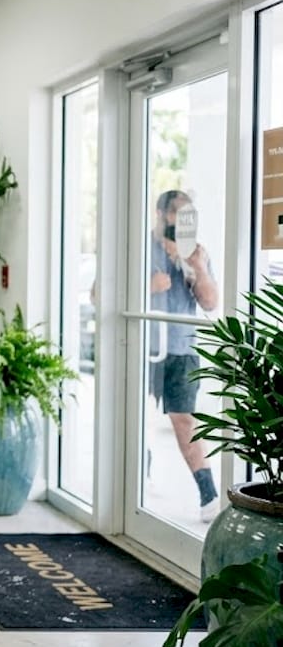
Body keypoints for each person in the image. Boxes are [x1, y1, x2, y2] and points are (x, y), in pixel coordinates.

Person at [149, 189, 220, 522]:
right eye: (179, 217)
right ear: (162, 215)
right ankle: (137, 474)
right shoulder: (138, 246)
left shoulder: (196, 252)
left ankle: (208, 494)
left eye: (190, 219)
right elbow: (97, 291)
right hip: (142, 346)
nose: (184, 225)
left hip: (182, 348)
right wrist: (146, 285)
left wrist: (198, 268)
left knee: (184, 421)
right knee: (132, 415)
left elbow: (210, 302)